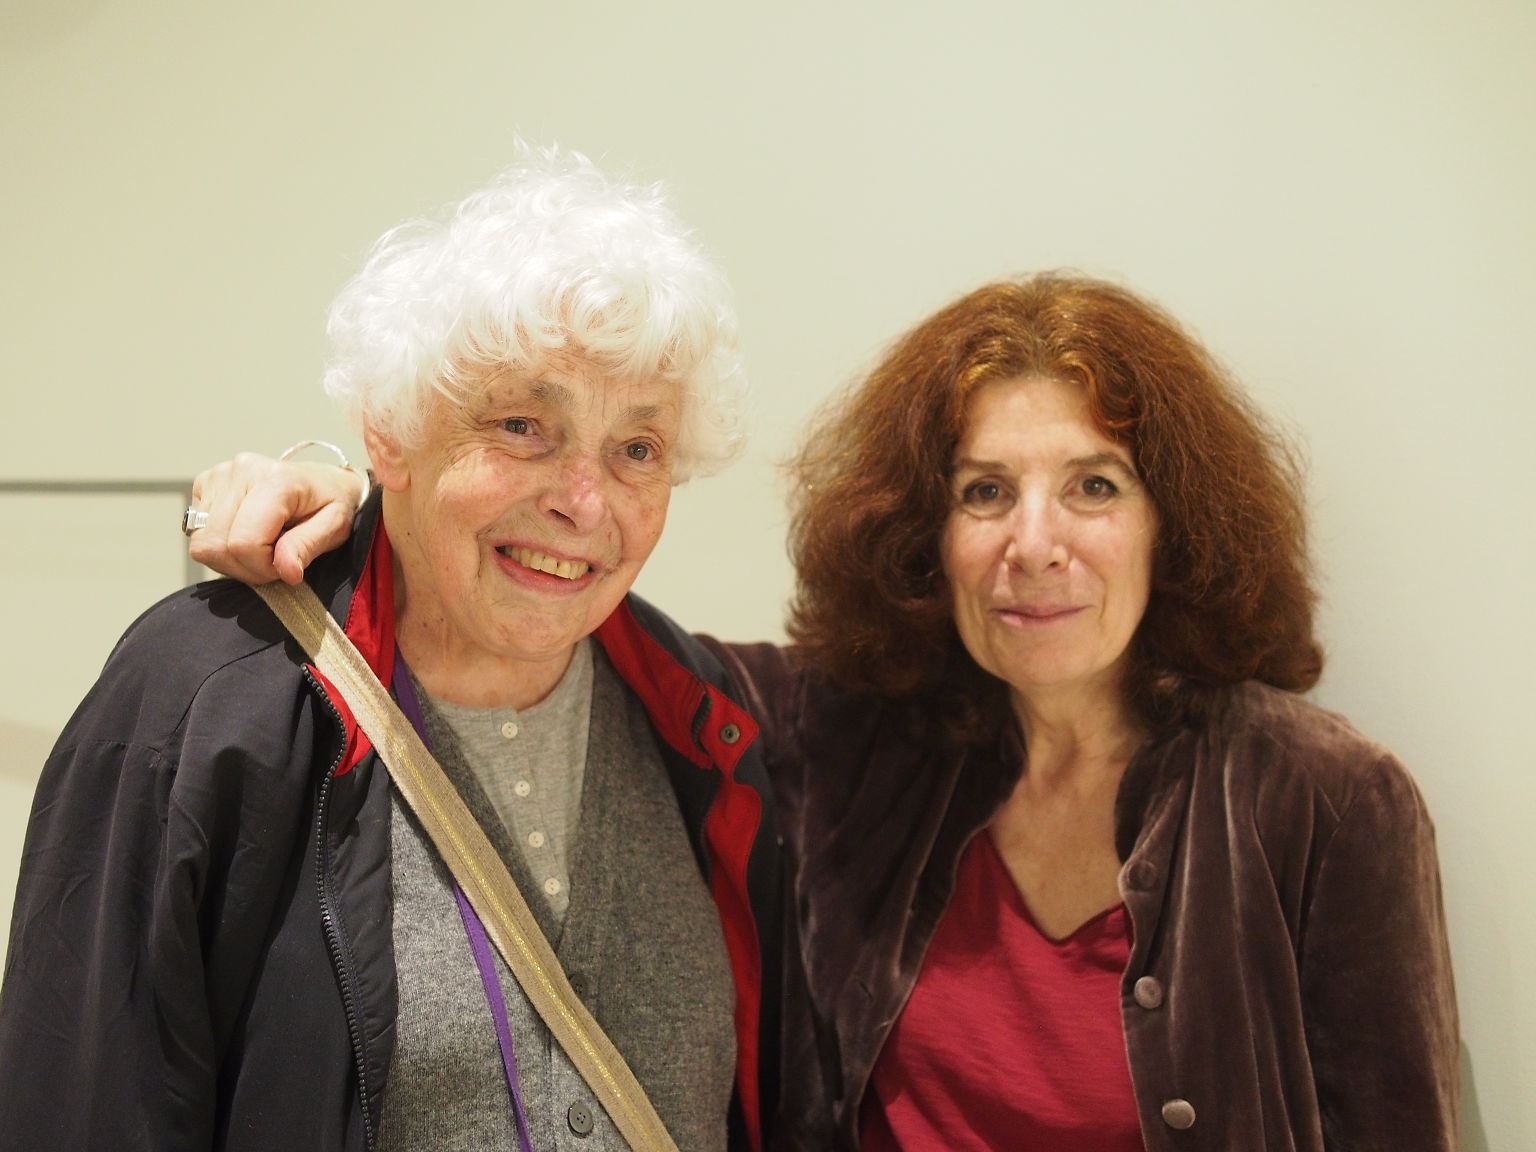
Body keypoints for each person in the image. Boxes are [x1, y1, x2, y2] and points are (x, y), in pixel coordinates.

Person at [177, 274, 1459, 1150]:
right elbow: (553, 591)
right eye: (983, 492)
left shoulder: (1322, 803)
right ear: (923, 535)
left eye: (1094, 486)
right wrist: (352, 489)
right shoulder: (842, 740)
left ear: (1173, 520)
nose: (1035, 543)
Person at [0, 148, 782, 1152]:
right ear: (390, 432)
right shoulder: (201, 697)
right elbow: (86, 1104)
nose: (584, 503)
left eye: (637, 449)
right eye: (523, 425)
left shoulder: (708, 718)